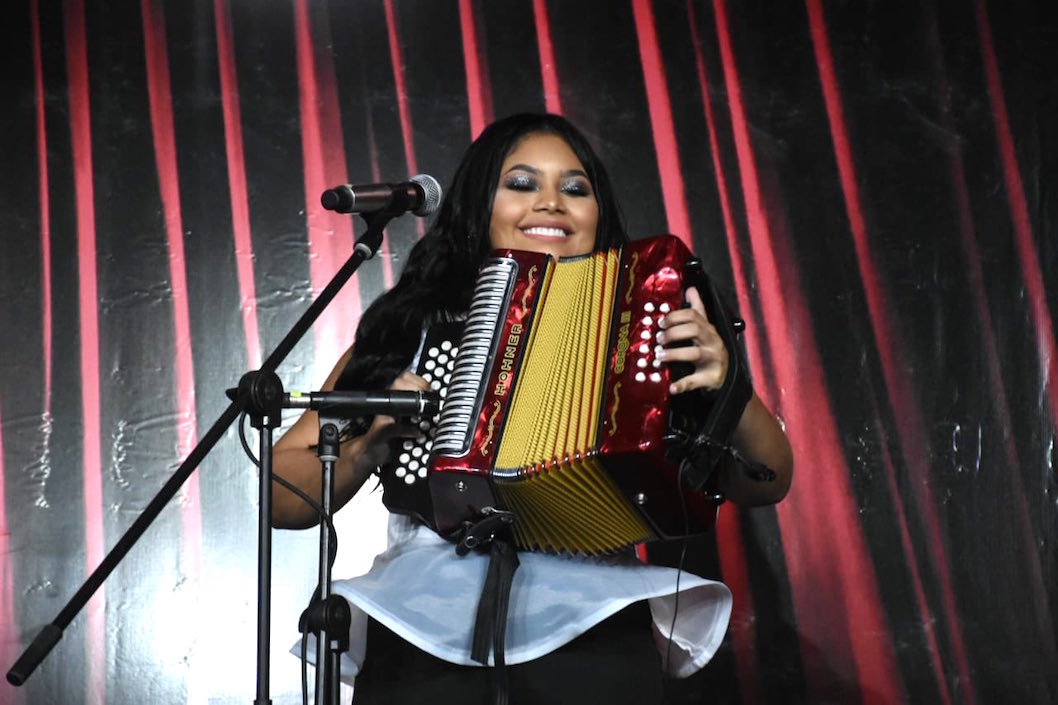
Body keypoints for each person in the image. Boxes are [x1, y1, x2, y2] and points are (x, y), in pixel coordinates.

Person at [272, 113, 793, 704]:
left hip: (592, 630)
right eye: (521, 184)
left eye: (575, 189)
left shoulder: (651, 325)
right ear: (479, 207)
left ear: (598, 216)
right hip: (422, 631)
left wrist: (731, 387)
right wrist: (368, 444)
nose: (551, 204)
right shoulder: (410, 330)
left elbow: (767, 482)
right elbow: (281, 497)